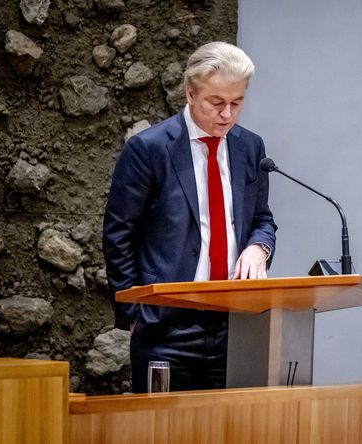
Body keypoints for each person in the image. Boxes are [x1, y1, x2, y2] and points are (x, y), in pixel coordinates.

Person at [103, 42, 277, 392]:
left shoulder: (250, 148)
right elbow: (118, 235)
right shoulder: (149, 149)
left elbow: (262, 219)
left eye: (237, 103)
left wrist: (260, 247)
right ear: (190, 93)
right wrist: (135, 316)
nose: (227, 114)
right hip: (166, 329)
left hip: (234, 327)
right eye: (217, 102)